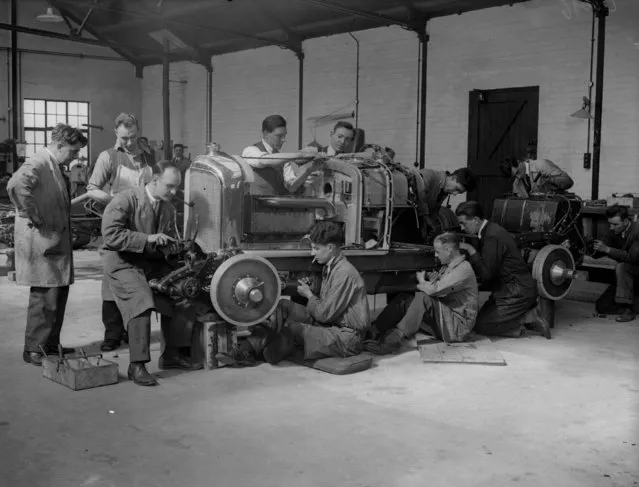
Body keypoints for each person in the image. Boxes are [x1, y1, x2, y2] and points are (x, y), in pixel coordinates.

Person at [100, 161, 201, 386]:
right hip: (121, 261)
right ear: (154, 181)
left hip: (150, 261)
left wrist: (176, 248)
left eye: (177, 187)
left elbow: (162, 241)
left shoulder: (167, 207)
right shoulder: (125, 200)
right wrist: (147, 239)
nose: (174, 192)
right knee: (141, 300)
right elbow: (110, 236)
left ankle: (173, 354)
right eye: (170, 186)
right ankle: (137, 365)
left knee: (184, 292)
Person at [217, 221, 370, 366]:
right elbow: (327, 307)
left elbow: (324, 314)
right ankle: (253, 347)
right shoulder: (330, 267)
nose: (312, 253)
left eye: (316, 248)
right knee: (283, 306)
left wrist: (309, 295)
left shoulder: (344, 273)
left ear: (330, 247)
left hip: (346, 337)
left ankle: (252, 353)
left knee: (294, 329)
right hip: (331, 323)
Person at [7, 124, 88, 366]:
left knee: (57, 294)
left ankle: (50, 345)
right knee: (44, 296)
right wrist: (31, 213)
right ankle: (34, 349)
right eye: (73, 151)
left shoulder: (53, 164)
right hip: (43, 242)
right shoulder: (40, 161)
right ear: (59, 145)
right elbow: (16, 185)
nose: (75, 156)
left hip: (54, 241)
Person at [79, 113, 156, 352]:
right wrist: (115, 201)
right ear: (116, 133)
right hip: (117, 223)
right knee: (112, 281)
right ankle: (112, 333)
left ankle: (131, 328)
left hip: (144, 222)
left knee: (139, 277)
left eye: (132, 137)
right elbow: (92, 189)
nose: (129, 142)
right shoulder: (108, 157)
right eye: (124, 138)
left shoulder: (148, 156)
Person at [364, 232, 478, 354]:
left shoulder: (463, 269)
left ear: (449, 250)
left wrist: (421, 280)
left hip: (457, 327)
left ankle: (393, 341)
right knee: (405, 299)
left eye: (438, 251)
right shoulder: (450, 266)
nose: (436, 255)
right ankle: (374, 330)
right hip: (446, 317)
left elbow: (434, 290)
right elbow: (441, 286)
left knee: (423, 298)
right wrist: (432, 279)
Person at [455, 201, 551, 339]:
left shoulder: (492, 236)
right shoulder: (489, 230)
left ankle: (528, 317)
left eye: (464, 223)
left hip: (517, 291)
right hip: (509, 288)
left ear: (476, 220)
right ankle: (520, 322)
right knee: (480, 321)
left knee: (481, 326)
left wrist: (470, 250)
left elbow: (487, 274)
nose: (462, 228)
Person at [241, 114, 322, 195]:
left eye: (284, 135)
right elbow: (264, 160)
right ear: (265, 134)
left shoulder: (283, 159)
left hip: (277, 206)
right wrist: (300, 155)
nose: (283, 140)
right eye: (279, 136)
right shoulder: (250, 151)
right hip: (256, 205)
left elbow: (291, 187)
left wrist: (307, 171)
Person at [593, 205, 639, 322]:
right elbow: (599, 252)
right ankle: (630, 305)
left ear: (626, 221)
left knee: (622, 266)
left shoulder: (637, 232)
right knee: (602, 306)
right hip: (624, 278)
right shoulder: (613, 230)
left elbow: (631, 257)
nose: (611, 227)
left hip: (635, 271)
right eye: (610, 223)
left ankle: (627, 309)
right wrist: (588, 247)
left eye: (615, 224)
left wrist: (607, 250)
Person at [419, 167, 476, 239]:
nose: (455, 194)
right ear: (453, 178)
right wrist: (426, 219)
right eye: (457, 189)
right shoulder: (428, 175)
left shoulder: (443, 192)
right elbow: (418, 199)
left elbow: (433, 213)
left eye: (459, 192)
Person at [500, 146, 573, 198]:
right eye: (515, 176)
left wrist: (550, 180)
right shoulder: (516, 184)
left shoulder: (542, 165)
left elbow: (568, 182)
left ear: (519, 162)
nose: (518, 177)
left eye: (517, 172)